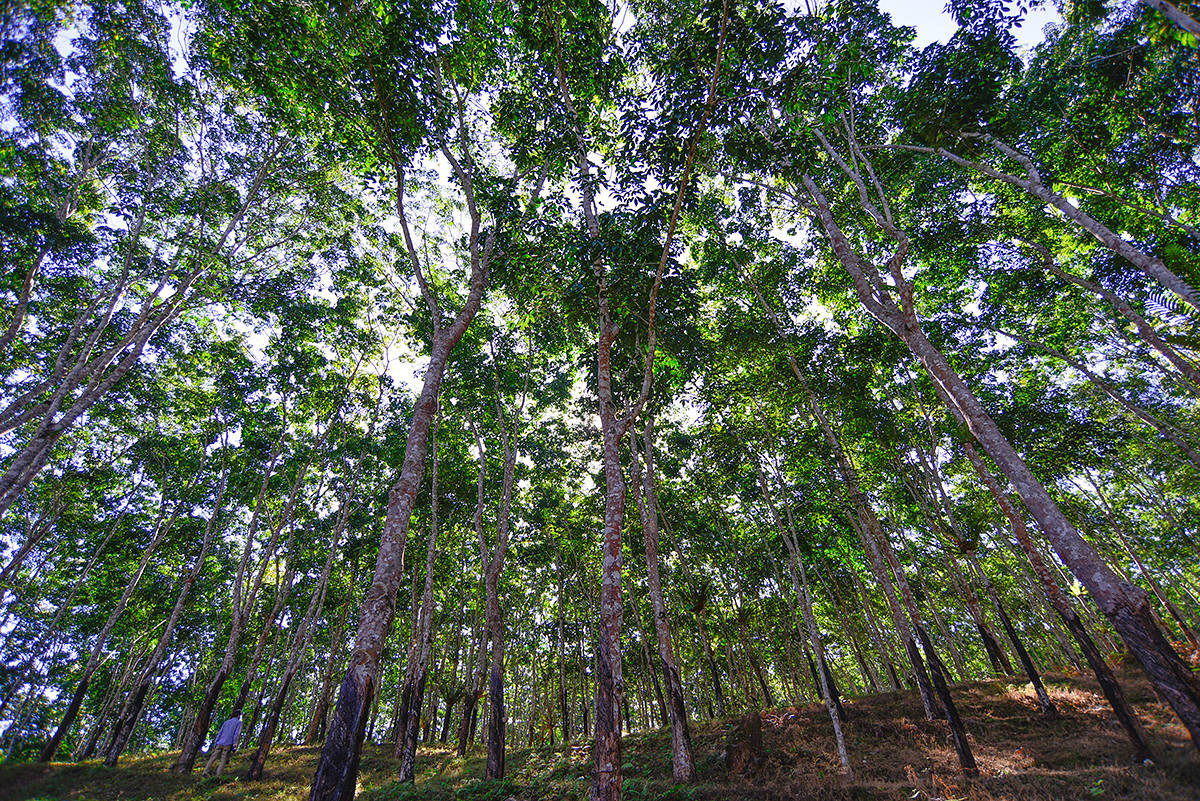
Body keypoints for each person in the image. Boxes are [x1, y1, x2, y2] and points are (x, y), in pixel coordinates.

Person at [201, 710, 242, 778]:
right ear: (239, 715)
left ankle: (205, 772)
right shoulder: (238, 723)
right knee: (223, 760)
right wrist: (235, 745)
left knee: (213, 758)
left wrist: (216, 742)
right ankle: (218, 775)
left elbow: (220, 732)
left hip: (220, 742)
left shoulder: (226, 722)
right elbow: (236, 734)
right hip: (228, 743)